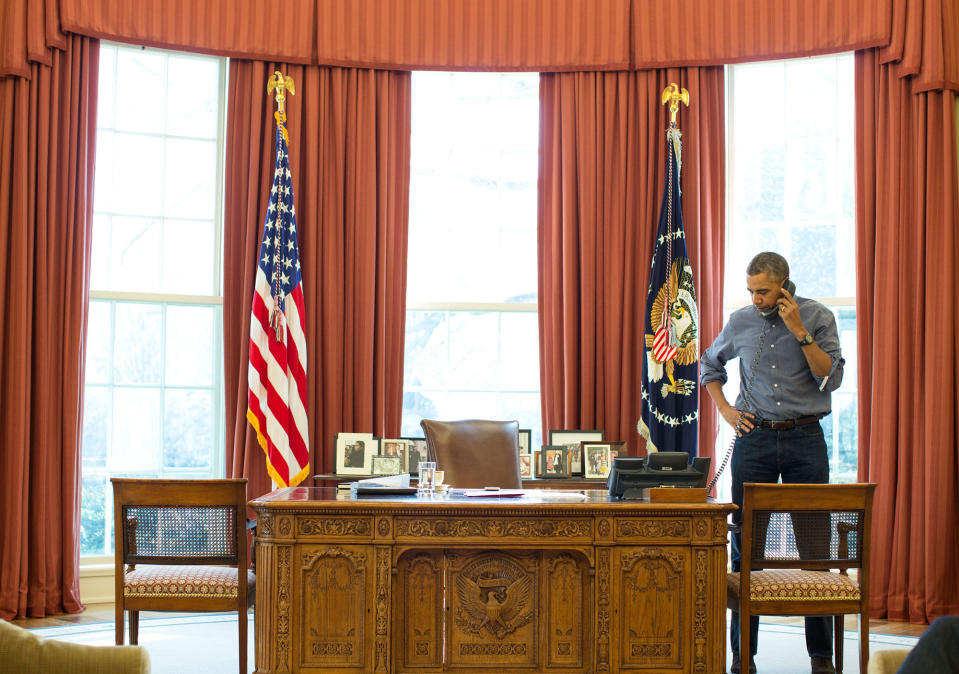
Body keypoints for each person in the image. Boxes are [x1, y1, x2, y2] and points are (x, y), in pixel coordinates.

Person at [700, 252, 845, 674]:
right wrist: (726, 411)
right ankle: (743, 655)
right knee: (747, 549)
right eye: (751, 290)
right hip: (754, 438)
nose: (756, 298)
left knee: (814, 549)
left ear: (785, 286)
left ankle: (821, 658)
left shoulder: (818, 317)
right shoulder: (742, 321)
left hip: (805, 438)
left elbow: (830, 377)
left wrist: (799, 330)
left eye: (762, 291)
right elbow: (709, 363)